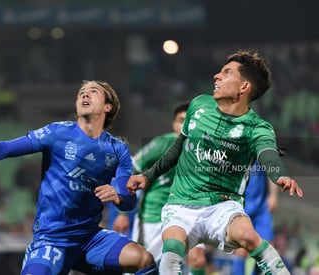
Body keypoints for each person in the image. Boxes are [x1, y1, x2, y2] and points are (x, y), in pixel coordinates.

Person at [0, 80, 157, 275]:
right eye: (81, 93)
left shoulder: (117, 149)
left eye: (93, 92)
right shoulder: (57, 132)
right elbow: (6, 148)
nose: (85, 94)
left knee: (143, 259)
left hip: (90, 238)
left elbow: (128, 198)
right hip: (52, 238)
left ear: (108, 107)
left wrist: (118, 195)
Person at [126, 50, 304, 275]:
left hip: (223, 205)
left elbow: (267, 152)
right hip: (182, 204)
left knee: (249, 236)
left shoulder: (257, 127)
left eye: (227, 73)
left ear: (244, 87)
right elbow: (178, 147)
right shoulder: (199, 105)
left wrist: (279, 175)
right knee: (172, 250)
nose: (216, 76)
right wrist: (148, 175)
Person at [111, 101, 190, 261]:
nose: (185, 126)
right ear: (174, 124)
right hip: (154, 215)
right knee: (143, 263)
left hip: (187, 215)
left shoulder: (204, 149)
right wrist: (122, 213)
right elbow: (130, 170)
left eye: (189, 121)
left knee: (196, 258)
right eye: (181, 121)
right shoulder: (161, 144)